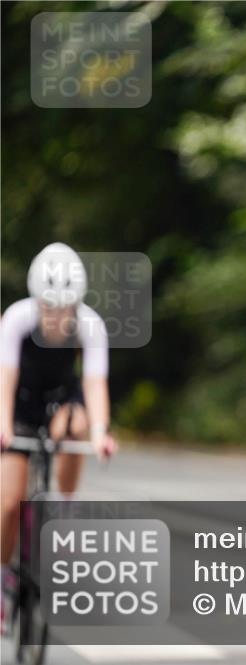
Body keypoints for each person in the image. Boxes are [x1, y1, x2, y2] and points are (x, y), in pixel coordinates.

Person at [0, 243, 116, 629]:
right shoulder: (17, 318)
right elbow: (5, 379)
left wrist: (100, 433)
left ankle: (64, 504)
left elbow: (95, 383)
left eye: (64, 309)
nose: (55, 317)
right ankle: (3, 577)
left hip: (59, 404)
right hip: (18, 405)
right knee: (8, 504)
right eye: (49, 308)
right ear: (37, 301)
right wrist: (3, 426)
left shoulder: (89, 324)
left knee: (77, 425)